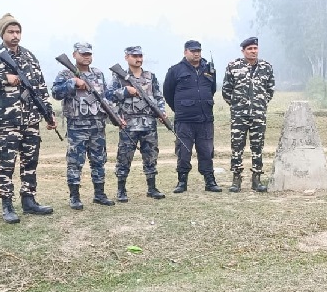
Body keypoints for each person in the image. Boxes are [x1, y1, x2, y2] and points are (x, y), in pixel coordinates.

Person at [0, 13, 56, 223]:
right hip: (7, 120)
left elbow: (40, 87)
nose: (15, 35)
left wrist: (48, 113)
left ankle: (29, 200)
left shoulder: (30, 57)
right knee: (7, 163)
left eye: (18, 31)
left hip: (31, 119)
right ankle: (7, 204)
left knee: (30, 161)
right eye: (10, 31)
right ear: (2, 34)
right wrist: (3, 79)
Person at [51, 42, 115, 209]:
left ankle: (99, 194)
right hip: (77, 126)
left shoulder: (98, 74)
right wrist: (72, 83)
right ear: (74, 55)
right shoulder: (66, 73)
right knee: (75, 162)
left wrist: (115, 115)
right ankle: (74, 197)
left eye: (89, 54)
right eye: (83, 54)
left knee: (99, 161)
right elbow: (55, 93)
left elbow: (105, 96)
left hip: (97, 125)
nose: (87, 57)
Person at [109, 45, 167, 202]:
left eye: (140, 56)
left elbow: (158, 97)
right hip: (128, 123)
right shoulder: (119, 77)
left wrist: (162, 112)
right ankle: (121, 190)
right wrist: (125, 91)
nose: (138, 59)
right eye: (134, 56)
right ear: (126, 57)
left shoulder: (150, 76)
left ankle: (152, 188)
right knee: (124, 157)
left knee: (151, 156)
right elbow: (109, 96)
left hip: (149, 124)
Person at [163, 40, 222, 193]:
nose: (196, 54)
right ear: (185, 52)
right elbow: (168, 93)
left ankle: (210, 181)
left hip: (205, 119)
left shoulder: (209, 69)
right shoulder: (175, 70)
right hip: (185, 120)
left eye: (198, 51)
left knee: (206, 151)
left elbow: (212, 89)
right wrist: (180, 108)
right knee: (183, 152)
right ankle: (182, 182)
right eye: (193, 51)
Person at [221, 36, 275, 193]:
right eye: (250, 49)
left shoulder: (266, 67)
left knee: (257, 147)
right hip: (239, 115)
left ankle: (256, 179)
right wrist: (237, 105)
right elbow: (226, 90)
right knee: (237, 147)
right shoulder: (234, 66)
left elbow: (270, 90)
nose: (253, 51)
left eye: (255, 48)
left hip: (258, 115)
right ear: (243, 51)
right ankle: (236, 179)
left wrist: (260, 104)